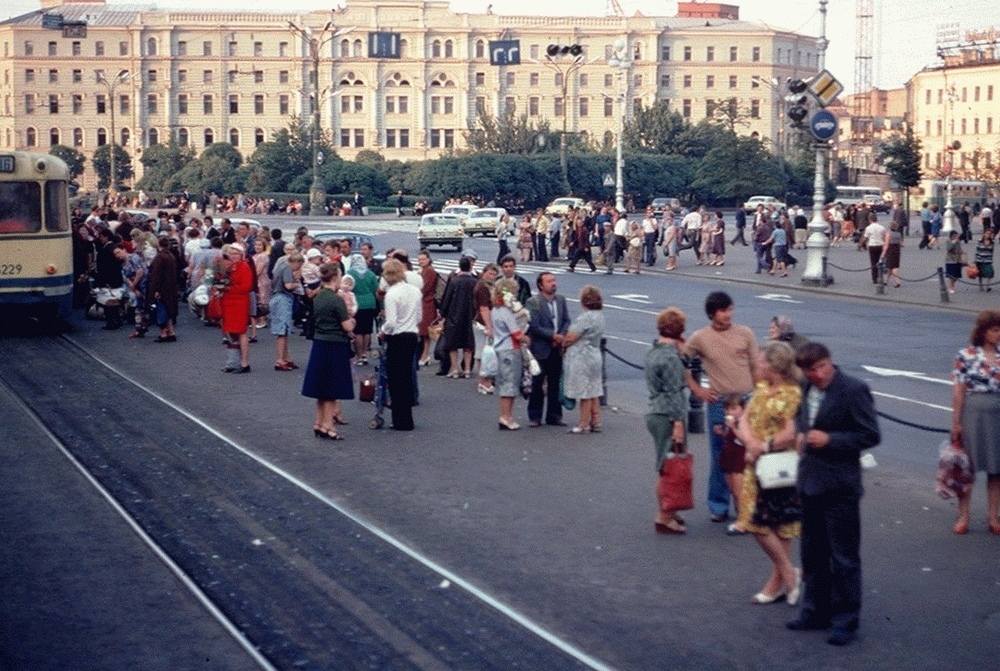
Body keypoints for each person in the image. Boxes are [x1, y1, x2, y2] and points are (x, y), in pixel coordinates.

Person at [787, 342, 881, 646]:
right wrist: (802, 432)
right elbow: (802, 418)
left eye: (821, 368)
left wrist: (830, 439)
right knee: (813, 553)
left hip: (840, 486)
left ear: (830, 362)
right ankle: (815, 611)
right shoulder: (805, 386)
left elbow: (870, 434)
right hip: (811, 482)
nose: (817, 375)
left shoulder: (853, 389)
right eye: (810, 371)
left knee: (843, 557)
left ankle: (845, 620)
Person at [731, 342, 804, 605]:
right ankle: (788, 573)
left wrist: (761, 447)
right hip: (755, 464)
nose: (757, 366)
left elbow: (790, 433)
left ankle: (778, 581)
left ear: (774, 367)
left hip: (777, 466)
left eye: (761, 362)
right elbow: (744, 419)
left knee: (776, 523)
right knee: (754, 520)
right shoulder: (761, 389)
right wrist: (750, 443)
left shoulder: (791, 394)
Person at [684, 291, 759, 524]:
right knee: (722, 456)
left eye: (730, 309)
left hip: (747, 401)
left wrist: (760, 397)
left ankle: (747, 505)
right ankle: (718, 504)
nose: (728, 315)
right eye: (723, 310)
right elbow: (681, 361)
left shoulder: (745, 333)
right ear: (711, 313)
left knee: (749, 454)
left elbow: (756, 366)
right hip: (720, 404)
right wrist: (697, 390)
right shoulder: (700, 338)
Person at [950, 309, 1000, 535]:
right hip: (974, 414)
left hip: (997, 413)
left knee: (996, 470)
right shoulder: (967, 355)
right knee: (967, 469)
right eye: (994, 330)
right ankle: (963, 516)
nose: (997, 334)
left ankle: (993, 518)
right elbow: (959, 390)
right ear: (983, 331)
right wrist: (956, 423)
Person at [645, 307, 690, 535]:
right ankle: (664, 516)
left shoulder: (654, 351)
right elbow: (674, 392)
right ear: (680, 331)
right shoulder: (671, 357)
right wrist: (678, 423)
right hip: (667, 415)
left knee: (665, 465)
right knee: (668, 467)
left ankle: (670, 510)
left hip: (654, 409)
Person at [302, 263, 355, 441]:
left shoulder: (318, 297)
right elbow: (346, 325)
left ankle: (318, 423)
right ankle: (328, 425)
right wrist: (353, 323)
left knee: (321, 387)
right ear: (334, 277)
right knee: (333, 388)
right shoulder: (336, 299)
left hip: (320, 342)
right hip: (335, 344)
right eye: (339, 275)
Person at [379, 259, 422, 431]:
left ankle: (399, 419)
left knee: (396, 379)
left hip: (397, 337)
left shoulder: (392, 294)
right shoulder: (414, 291)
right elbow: (419, 317)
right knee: (407, 377)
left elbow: (391, 322)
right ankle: (407, 418)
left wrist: (383, 332)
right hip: (411, 335)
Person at [526, 272, 571, 427]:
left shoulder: (561, 300)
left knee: (555, 382)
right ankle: (535, 416)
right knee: (537, 383)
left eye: (554, 280)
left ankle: (554, 415)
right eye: (549, 281)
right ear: (541, 285)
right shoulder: (533, 302)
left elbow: (566, 320)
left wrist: (562, 335)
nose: (553, 283)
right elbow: (534, 326)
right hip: (541, 347)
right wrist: (553, 336)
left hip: (556, 349)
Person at [563, 285, 606, 434]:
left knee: (584, 392)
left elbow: (571, 337)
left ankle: (583, 423)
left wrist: (563, 343)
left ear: (584, 302)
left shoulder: (585, 317)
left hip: (582, 356)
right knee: (593, 388)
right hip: (595, 354)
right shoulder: (600, 316)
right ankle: (596, 419)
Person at [491, 278, 531, 430]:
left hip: (501, 347)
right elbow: (516, 333)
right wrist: (525, 338)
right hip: (510, 349)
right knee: (510, 384)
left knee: (505, 383)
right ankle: (506, 416)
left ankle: (507, 415)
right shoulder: (506, 312)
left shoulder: (495, 309)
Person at [439, 256, 478, 378]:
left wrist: (443, 313)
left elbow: (447, 298)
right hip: (470, 316)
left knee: (453, 344)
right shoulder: (474, 282)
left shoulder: (454, 281)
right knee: (468, 344)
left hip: (454, 315)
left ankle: (455, 369)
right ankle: (467, 370)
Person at [220, 244, 254, 373]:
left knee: (241, 332)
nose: (234, 256)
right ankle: (233, 362)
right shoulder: (228, 266)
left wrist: (228, 288)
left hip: (239, 302)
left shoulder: (244, 266)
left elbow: (246, 286)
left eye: (236, 254)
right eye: (232, 253)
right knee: (231, 333)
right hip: (229, 301)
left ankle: (245, 362)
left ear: (241, 255)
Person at [717, 394, 748, 534]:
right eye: (727, 409)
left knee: (738, 490)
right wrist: (722, 433)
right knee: (732, 489)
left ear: (743, 409)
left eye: (734, 408)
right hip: (729, 455)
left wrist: (733, 428)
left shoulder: (743, 423)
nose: (730, 412)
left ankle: (744, 520)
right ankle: (740, 515)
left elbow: (744, 440)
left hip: (738, 457)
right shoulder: (731, 422)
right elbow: (730, 439)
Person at [270, 252, 304, 370]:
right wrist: (297, 284)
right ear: (296, 262)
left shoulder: (280, 266)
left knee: (284, 329)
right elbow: (288, 285)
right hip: (283, 299)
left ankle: (286, 357)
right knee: (282, 329)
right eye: (299, 266)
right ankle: (280, 359)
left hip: (276, 298)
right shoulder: (287, 269)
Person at [146, 237, 179, 342]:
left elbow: (156, 275)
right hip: (171, 287)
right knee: (169, 310)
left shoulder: (160, 257)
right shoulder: (170, 255)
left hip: (162, 288)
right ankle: (171, 331)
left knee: (161, 310)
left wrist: (155, 290)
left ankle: (163, 333)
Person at [473, 263, 499, 394]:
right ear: (484, 274)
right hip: (483, 324)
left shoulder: (486, 286)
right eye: (490, 274)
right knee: (486, 354)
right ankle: (485, 381)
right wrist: (489, 328)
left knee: (484, 353)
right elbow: (484, 308)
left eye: (494, 274)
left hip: (481, 322)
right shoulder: (483, 287)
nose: (492, 276)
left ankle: (482, 382)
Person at [349, 256, 379, 364]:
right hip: (370, 302)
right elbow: (376, 288)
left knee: (357, 331)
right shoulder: (370, 274)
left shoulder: (350, 273)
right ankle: (365, 353)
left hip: (356, 302)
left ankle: (359, 354)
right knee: (367, 330)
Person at [416, 251, 441, 366]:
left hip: (427, 303)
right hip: (424, 302)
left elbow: (425, 288)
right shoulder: (425, 271)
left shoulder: (429, 271)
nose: (421, 261)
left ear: (429, 259)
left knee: (426, 332)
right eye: (420, 259)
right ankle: (425, 355)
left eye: (423, 259)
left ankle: (425, 355)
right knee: (424, 332)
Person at [860, 214, 888, 284]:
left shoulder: (868, 228)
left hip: (872, 245)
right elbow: (885, 237)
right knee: (880, 261)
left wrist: (862, 244)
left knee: (873, 262)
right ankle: (881, 276)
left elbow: (865, 237)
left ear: (870, 220)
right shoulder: (881, 227)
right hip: (880, 245)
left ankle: (874, 278)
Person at [881, 221, 903, 288]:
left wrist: (883, 254)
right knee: (890, 266)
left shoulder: (888, 234)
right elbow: (900, 244)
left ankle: (897, 281)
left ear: (890, 227)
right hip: (897, 250)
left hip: (890, 250)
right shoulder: (899, 234)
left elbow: (886, 245)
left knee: (893, 267)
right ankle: (885, 281)